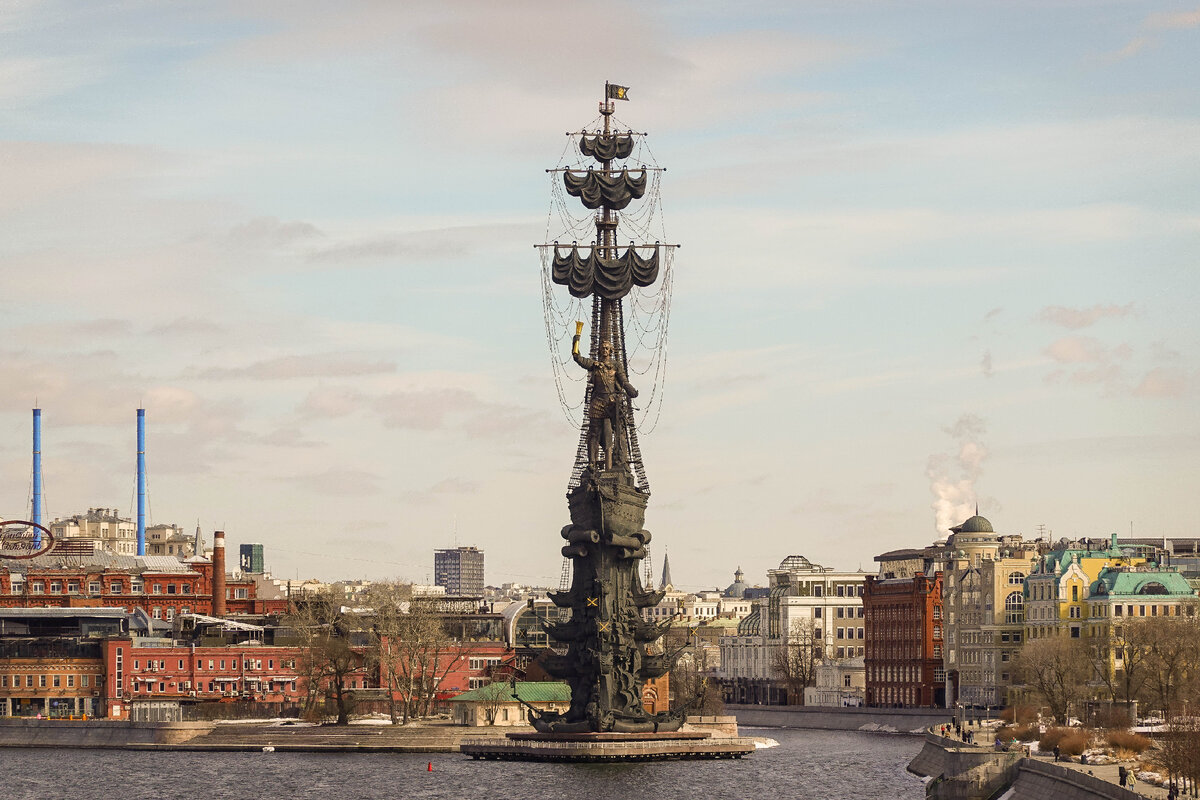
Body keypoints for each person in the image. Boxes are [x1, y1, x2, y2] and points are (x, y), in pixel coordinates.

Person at [572, 325, 637, 472]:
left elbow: (623, 380)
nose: (604, 350)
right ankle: (592, 463)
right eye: (603, 348)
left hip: (612, 401)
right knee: (593, 432)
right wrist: (576, 339)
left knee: (619, 429)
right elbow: (578, 358)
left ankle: (621, 460)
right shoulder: (594, 365)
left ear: (611, 350)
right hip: (598, 401)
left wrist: (630, 389)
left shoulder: (615, 365)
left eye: (607, 348)